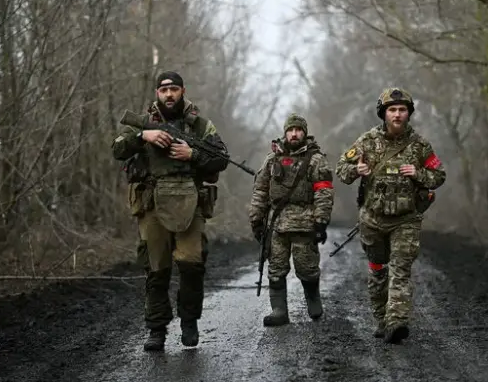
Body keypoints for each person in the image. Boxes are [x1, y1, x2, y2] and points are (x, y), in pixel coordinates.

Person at [111, 71, 229, 351]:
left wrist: (194, 155)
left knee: (191, 264)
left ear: (182, 91)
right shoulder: (145, 122)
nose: (169, 94)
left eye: (174, 89)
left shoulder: (199, 125)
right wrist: (143, 135)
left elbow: (222, 158)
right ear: (156, 93)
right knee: (156, 268)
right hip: (152, 202)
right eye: (163, 90)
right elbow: (118, 149)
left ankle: (189, 323)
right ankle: (156, 330)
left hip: (190, 200)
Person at [335, 88, 446, 343]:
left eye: (402, 110)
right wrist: (357, 169)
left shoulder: (419, 146)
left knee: (400, 269)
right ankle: (381, 318)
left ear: (409, 113)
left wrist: (418, 173)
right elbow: (341, 168)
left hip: (406, 219)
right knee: (377, 270)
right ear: (383, 113)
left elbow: (439, 175)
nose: (397, 114)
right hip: (373, 219)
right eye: (392, 110)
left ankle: (397, 321)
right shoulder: (367, 141)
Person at [249, 113, 334, 326]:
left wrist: (321, 221)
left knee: (306, 268)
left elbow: (323, 192)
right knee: (276, 268)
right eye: (291, 130)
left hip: (304, 224)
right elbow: (260, 191)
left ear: (304, 133)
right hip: (275, 225)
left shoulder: (315, 159)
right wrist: (256, 219)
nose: (294, 134)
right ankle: (279, 311)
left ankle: (313, 299)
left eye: (298, 130)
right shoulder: (272, 159)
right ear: (285, 132)